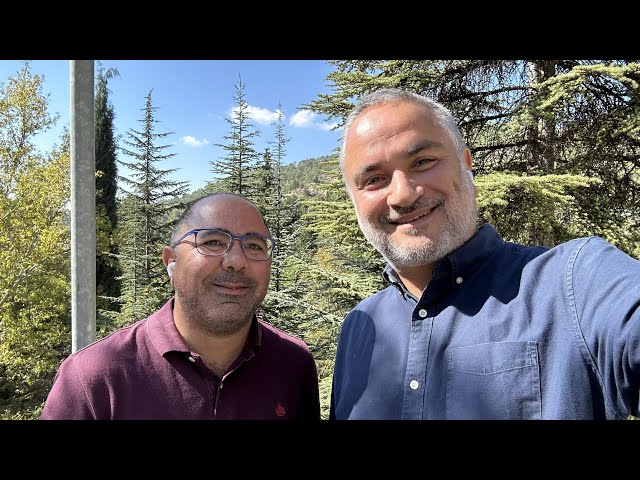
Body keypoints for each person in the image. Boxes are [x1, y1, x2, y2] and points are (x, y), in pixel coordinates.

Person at [330, 87, 640, 420]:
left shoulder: (576, 282)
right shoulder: (358, 329)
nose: (402, 195)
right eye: (374, 179)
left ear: (466, 165)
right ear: (354, 199)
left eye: (422, 162)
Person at [41, 192, 321, 420]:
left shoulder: (294, 365)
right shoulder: (94, 377)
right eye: (213, 241)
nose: (236, 260)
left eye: (256, 246)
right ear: (170, 261)